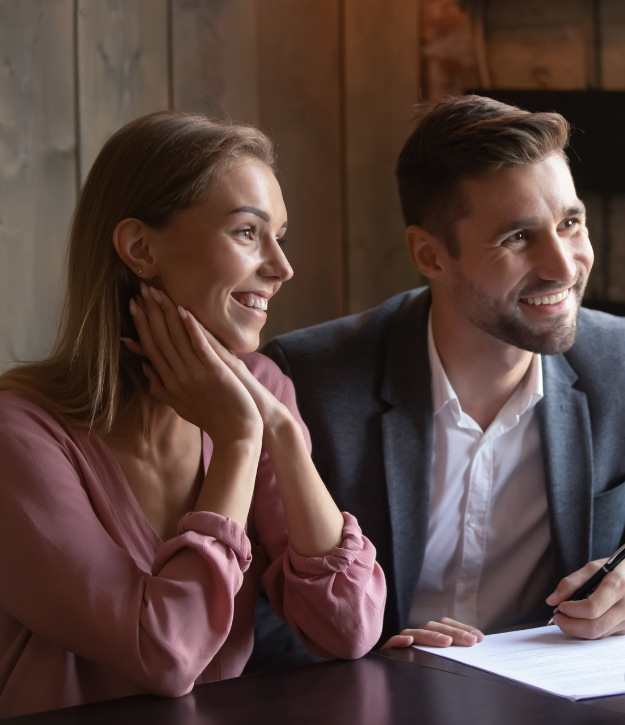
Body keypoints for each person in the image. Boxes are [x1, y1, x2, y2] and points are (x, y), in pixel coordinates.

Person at [0, 112, 385, 718]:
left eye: (281, 236)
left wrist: (280, 432)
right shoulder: (19, 434)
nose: (282, 268)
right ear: (140, 248)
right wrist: (237, 443)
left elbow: (347, 626)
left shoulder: (261, 393)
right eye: (247, 233)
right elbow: (164, 655)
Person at [251, 94, 625, 668]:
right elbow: (254, 613)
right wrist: (369, 661)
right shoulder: (307, 383)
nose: (563, 264)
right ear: (430, 255)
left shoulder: (621, 365)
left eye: (570, 223)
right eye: (519, 238)